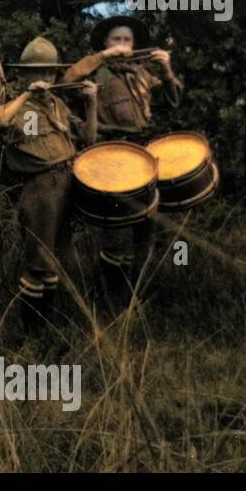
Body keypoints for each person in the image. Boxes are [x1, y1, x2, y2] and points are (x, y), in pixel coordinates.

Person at [60, 16, 183, 298]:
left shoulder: (141, 73)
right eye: (116, 40)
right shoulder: (95, 72)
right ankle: (110, 301)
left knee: (145, 227)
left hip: (142, 154)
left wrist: (166, 70)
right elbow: (67, 81)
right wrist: (101, 57)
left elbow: (174, 100)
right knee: (116, 233)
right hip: (111, 154)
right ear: (105, 43)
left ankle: (135, 295)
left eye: (127, 40)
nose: (123, 46)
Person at [0, 37, 98, 331]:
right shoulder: (19, 109)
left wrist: (92, 103)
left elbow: (88, 138)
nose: (44, 78)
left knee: (57, 257)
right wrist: (26, 94)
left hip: (66, 182)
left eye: (48, 72)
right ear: (23, 75)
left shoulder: (58, 104)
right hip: (41, 189)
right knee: (38, 259)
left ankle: (49, 325)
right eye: (36, 73)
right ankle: (33, 333)